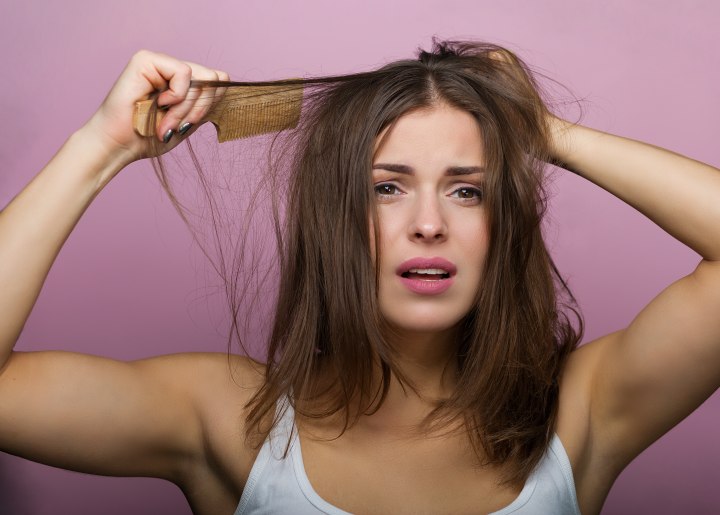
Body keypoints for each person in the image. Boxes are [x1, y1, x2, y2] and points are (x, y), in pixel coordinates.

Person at [1, 39, 719, 515]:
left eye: (467, 189)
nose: (429, 222)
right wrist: (99, 148)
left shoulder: (580, 412)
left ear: (502, 224)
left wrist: (545, 132)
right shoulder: (227, 417)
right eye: (387, 187)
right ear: (336, 215)